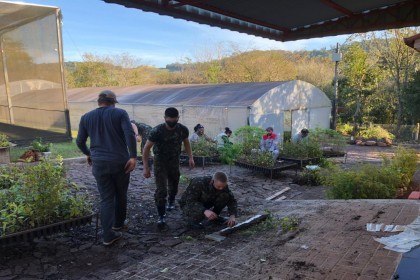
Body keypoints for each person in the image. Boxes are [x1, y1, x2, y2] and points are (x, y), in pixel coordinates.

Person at [76, 90, 137, 246]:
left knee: (106, 198)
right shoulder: (120, 113)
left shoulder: (86, 117)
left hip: (99, 163)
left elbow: (80, 141)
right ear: (113, 102)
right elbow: (129, 133)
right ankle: (118, 223)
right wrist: (133, 157)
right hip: (120, 162)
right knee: (120, 193)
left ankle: (107, 235)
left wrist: (89, 154)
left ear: (99, 102)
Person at [142, 107, 195, 225]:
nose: (172, 122)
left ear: (178, 118)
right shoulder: (157, 131)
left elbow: (186, 143)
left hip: (174, 161)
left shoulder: (182, 129)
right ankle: (161, 214)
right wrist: (146, 167)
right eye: (169, 120)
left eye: (174, 120)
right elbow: (146, 148)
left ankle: (171, 201)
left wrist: (191, 157)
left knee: (174, 183)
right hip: (160, 162)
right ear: (165, 118)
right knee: (161, 190)